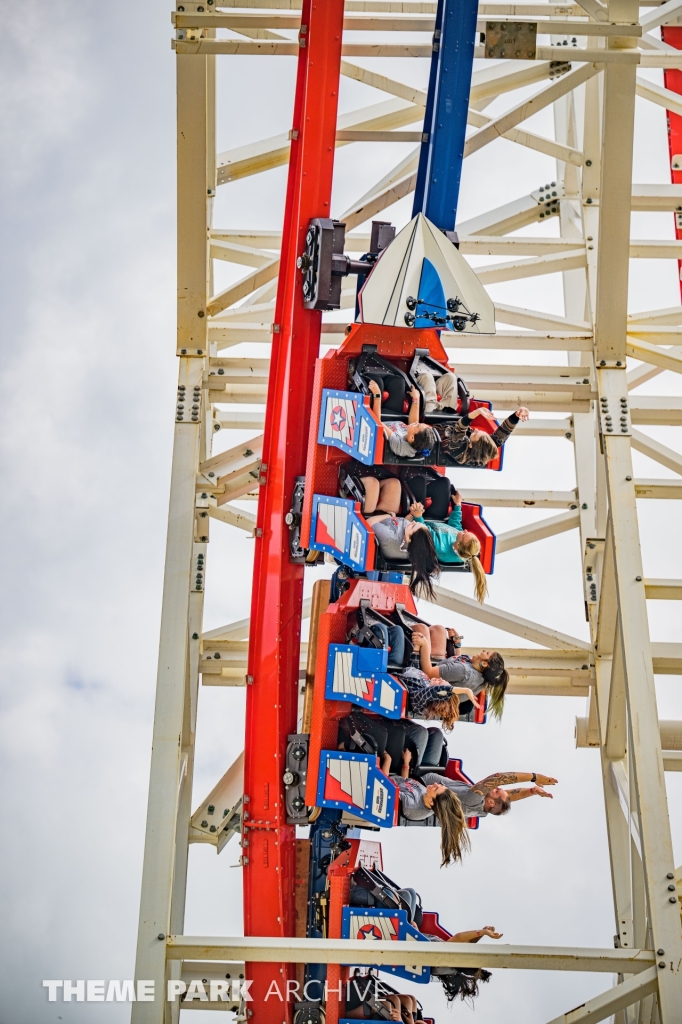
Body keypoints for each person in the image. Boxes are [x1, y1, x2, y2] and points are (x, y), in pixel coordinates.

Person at [358, 473, 440, 599]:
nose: (413, 523)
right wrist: (409, 517)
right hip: (391, 519)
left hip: (370, 518)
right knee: (394, 483)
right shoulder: (414, 544)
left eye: (413, 526)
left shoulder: (390, 539)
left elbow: (369, 524)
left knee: (373, 483)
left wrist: (391, 517)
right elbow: (406, 524)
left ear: (409, 539)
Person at [411, 629, 509, 720]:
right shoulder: (480, 680)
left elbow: (429, 673)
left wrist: (424, 645)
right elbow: (456, 669)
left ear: (484, 663)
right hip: (431, 678)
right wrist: (457, 646)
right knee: (439, 629)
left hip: (421, 680)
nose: (484, 650)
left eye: (487, 653)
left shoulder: (464, 672)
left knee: (422, 629)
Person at [408, 491, 487, 603]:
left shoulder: (441, 549)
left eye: (464, 534)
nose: (464, 530)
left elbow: (422, 535)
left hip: (421, 523)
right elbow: (455, 525)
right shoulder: (458, 542)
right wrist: (458, 505)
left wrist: (418, 517)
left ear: (459, 545)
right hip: (434, 519)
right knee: (444, 484)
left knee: (419, 486)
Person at [390, 765, 471, 866]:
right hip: (393, 775)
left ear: (432, 802)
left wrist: (388, 761)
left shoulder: (412, 806)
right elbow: (405, 782)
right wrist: (406, 764)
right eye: (439, 785)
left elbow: (383, 786)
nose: (435, 784)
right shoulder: (426, 794)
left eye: (436, 788)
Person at [410, 769, 558, 820]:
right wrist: (532, 791)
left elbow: (498, 777)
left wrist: (534, 777)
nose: (497, 787)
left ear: (491, 802)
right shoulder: (483, 810)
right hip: (426, 780)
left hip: (419, 784)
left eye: (496, 790)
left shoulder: (473, 800)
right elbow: (507, 797)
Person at [434, 405, 530, 467]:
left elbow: (461, 427)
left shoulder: (459, 449)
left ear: (471, 445)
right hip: (447, 419)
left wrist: (477, 411)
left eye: (475, 434)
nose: (475, 429)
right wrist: (517, 415)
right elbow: (505, 430)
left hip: (435, 428)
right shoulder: (486, 447)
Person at [367, 378, 437, 459]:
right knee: (398, 382)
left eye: (417, 425)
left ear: (412, 438)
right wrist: (416, 398)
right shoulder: (413, 438)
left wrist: (377, 395)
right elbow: (414, 421)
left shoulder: (401, 446)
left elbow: (377, 424)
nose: (416, 423)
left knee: (377, 382)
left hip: (374, 420)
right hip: (391, 416)